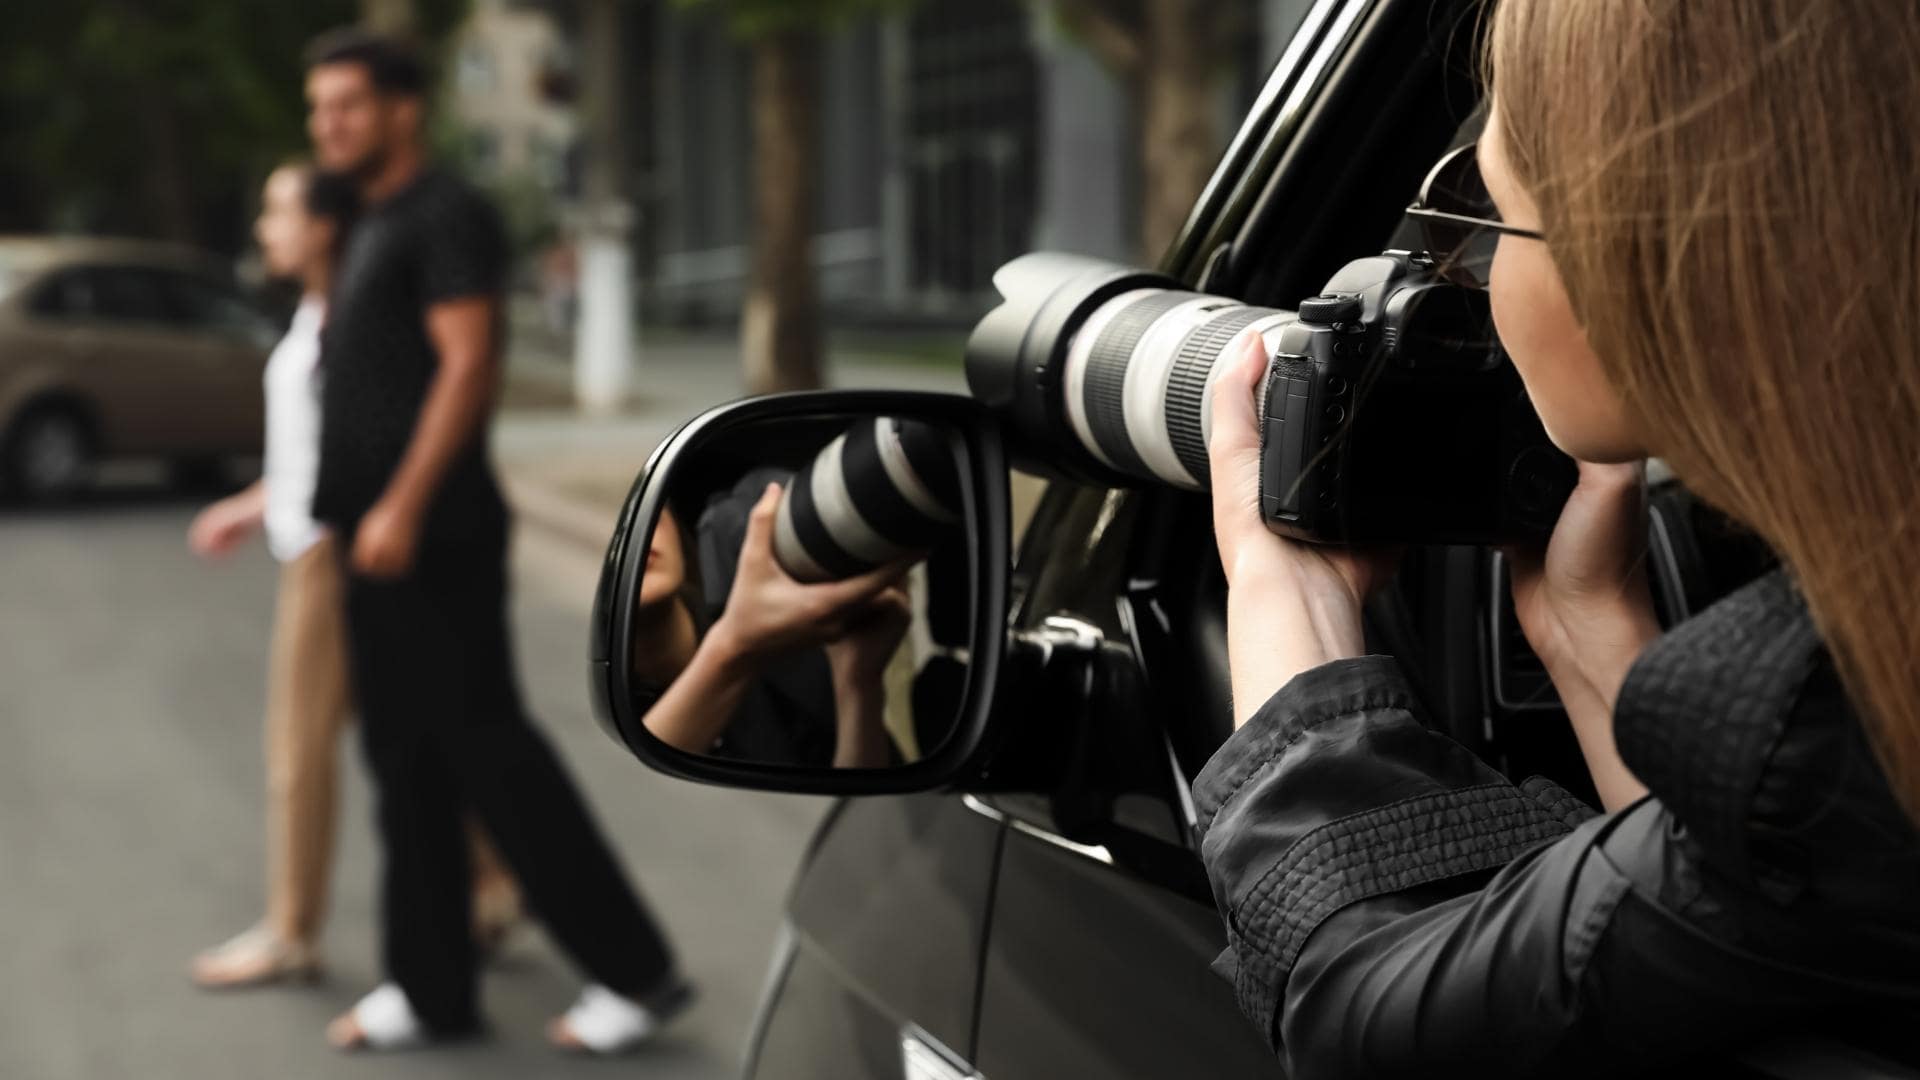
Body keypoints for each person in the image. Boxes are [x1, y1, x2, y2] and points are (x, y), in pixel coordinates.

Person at [1196, 2, 1920, 1075]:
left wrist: (1282, 591)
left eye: (1485, 216)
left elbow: (1364, 1016)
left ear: (1654, 260)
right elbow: (1739, 936)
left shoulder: (1830, 735)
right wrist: (1589, 626)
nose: (1475, 278)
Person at [300, 30, 686, 1053]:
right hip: (371, 538)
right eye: (319, 108)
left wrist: (403, 505)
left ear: (403, 109)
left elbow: (466, 368)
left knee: (488, 750)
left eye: (345, 105)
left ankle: (635, 973)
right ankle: (431, 988)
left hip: (431, 534)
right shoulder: (370, 219)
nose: (327, 124)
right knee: (405, 761)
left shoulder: (446, 214)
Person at [186, 163, 522, 990]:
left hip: (332, 555)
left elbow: (374, 442)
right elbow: (311, 450)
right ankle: (499, 882)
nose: (265, 228)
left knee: (298, 749)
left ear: (325, 228)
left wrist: (387, 516)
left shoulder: (363, 322)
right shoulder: (315, 315)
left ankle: (292, 931)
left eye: (278, 211)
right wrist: (252, 502)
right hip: (319, 537)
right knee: (426, 727)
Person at [630, 487, 909, 768]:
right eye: (619, 526)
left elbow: (862, 797)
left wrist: (858, 683)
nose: (637, 532)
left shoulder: (790, 653)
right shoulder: (611, 710)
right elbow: (628, 785)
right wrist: (737, 645)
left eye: (643, 507)